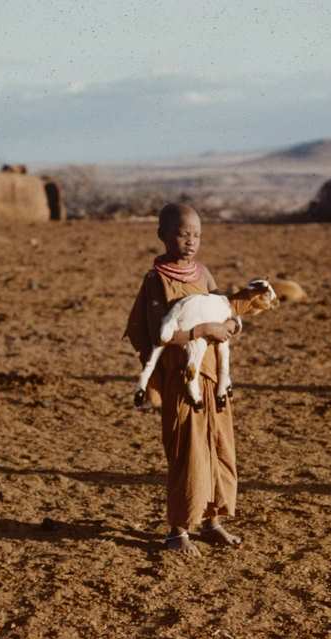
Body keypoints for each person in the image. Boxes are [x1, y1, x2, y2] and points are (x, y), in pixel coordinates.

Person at [124, 203, 257, 556]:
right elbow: (159, 334)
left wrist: (229, 325)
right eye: (183, 234)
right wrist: (203, 329)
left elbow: (222, 310)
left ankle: (212, 521)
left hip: (213, 376)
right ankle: (177, 530)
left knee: (218, 444)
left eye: (196, 234)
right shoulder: (156, 280)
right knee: (187, 450)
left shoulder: (204, 274)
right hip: (181, 380)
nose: (190, 241)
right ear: (163, 235)